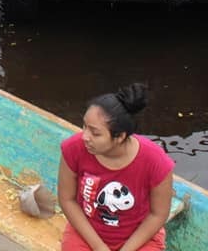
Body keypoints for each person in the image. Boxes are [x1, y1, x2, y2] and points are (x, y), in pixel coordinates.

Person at [58, 83, 175, 251]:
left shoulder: (155, 161)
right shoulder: (73, 149)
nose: (85, 137)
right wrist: (98, 247)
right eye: (84, 126)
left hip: (139, 238)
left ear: (119, 136)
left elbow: (158, 214)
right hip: (88, 233)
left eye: (95, 133)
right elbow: (67, 199)